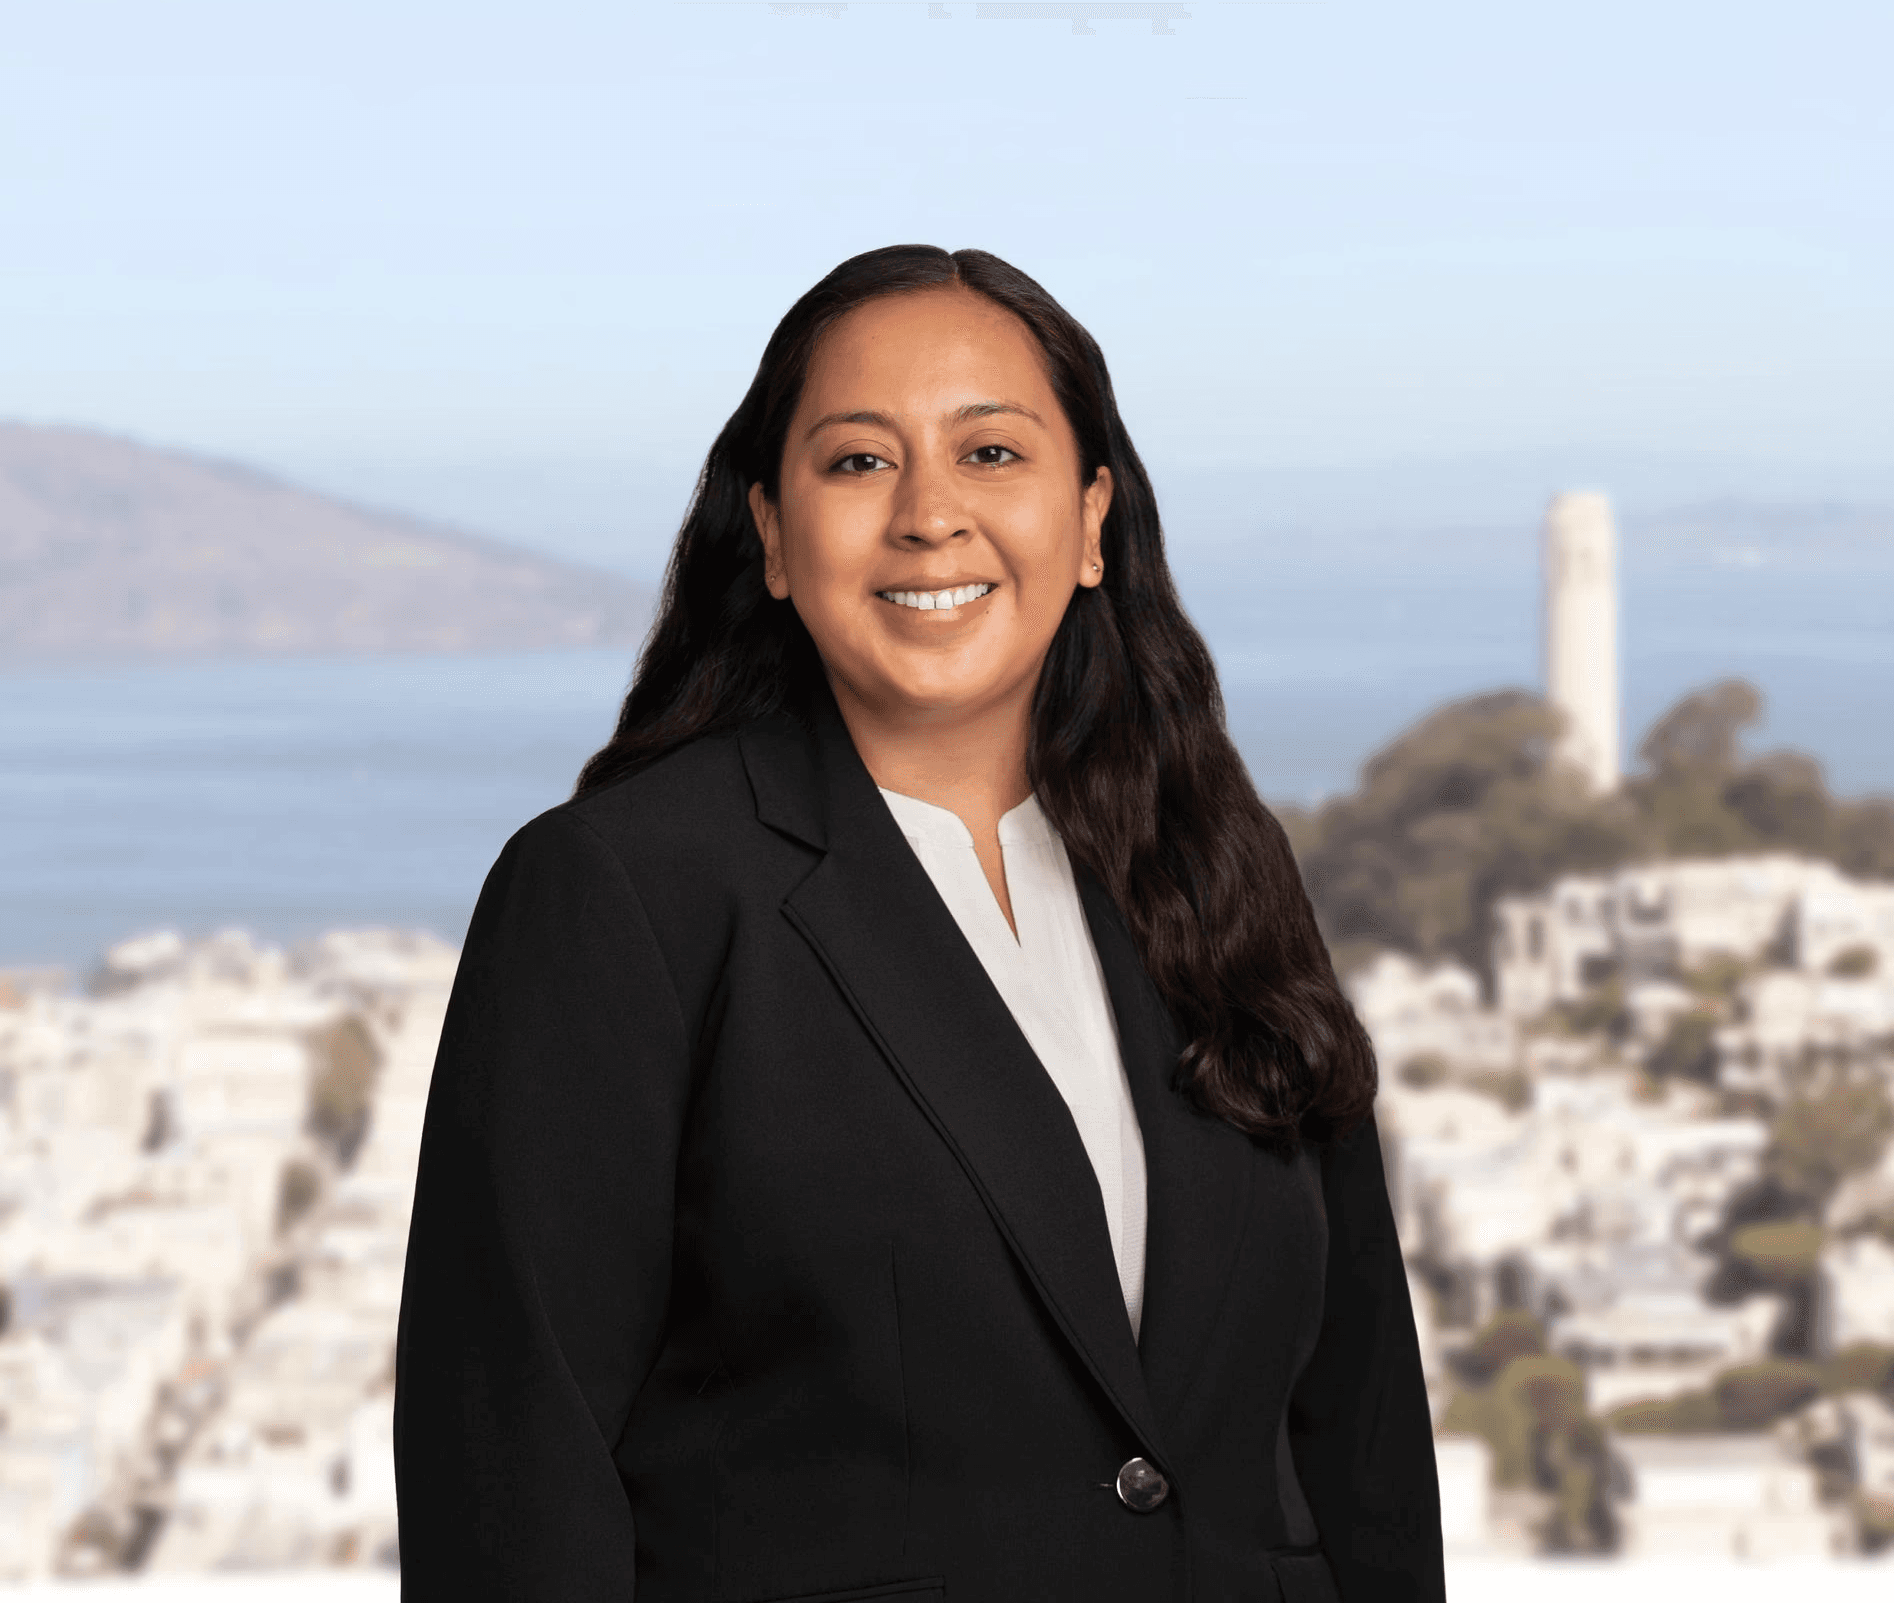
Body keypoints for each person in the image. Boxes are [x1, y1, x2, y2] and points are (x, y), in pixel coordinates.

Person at [393, 245, 1443, 1602]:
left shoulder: (1216, 867)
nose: (929, 514)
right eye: (856, 462)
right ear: (771, 535)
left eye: (992, 453)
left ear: (1090, 522)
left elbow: (1358, 1428)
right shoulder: (619, 893)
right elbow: (512, 1479)